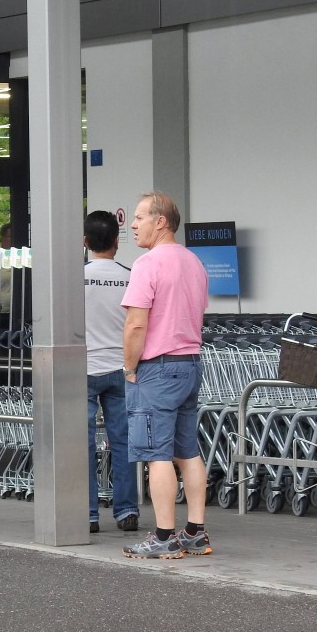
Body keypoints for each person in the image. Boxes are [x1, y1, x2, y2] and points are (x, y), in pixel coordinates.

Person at [120, 192, 209, 560]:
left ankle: (164, 536)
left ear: (161, 221)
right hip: (190, 363)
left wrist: (129, 367)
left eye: (140, 217)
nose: (133, 224)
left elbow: (136, 324)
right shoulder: (194, 262)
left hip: (157, 368)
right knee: (187, 450)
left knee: (157, 453)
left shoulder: (147, 263)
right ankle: (196, 532)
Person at [84, 210, 140, 534]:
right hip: (122, 369)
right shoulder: (130, 276)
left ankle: (89, 514)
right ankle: (127, 511)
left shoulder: (77, 278)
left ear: (85, 242)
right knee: (123, 442)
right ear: (117, 242)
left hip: (85, 368)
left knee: (83, 444)